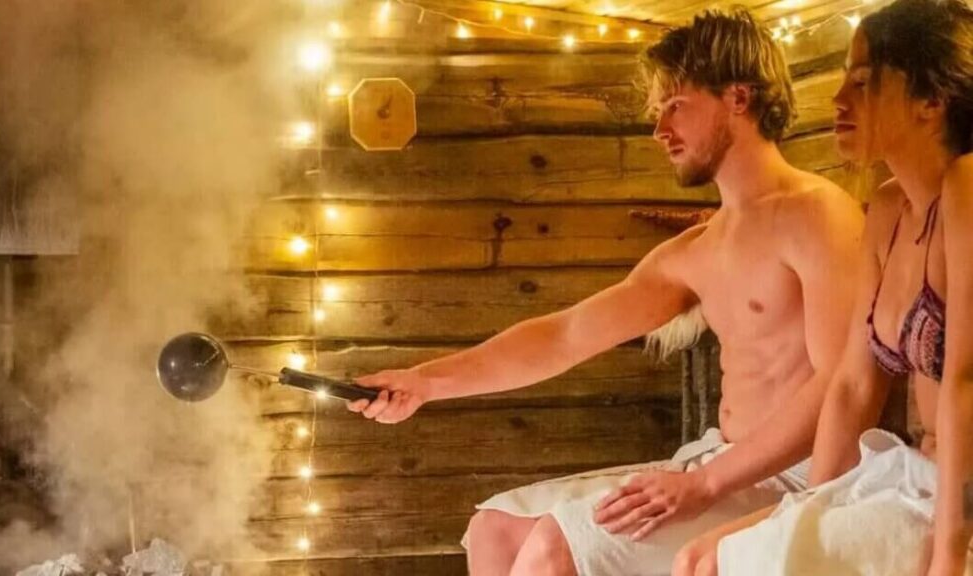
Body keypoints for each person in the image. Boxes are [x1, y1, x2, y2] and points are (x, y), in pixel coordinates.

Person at [348, 9, 866, 575]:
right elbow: (566, 336)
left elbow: (842, 382)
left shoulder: (816, 215)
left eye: (675, 106)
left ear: (738, 98)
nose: (659, 130)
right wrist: (423, 383)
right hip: (718, 457)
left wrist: (706, 483)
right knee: (492, 530)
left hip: (798, 475)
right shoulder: (697, 250)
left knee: (554, 546)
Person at [673, 1, 973, 575]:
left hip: (960, 499)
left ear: (931, 101)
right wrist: (807, 503)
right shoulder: (887, 209)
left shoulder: (967, 186)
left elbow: (962, 381)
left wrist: (949, 557)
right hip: (909, 476)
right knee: (698, 557)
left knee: (744, 561)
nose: (838, 99)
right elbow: (854, 386)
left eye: (863, 81)